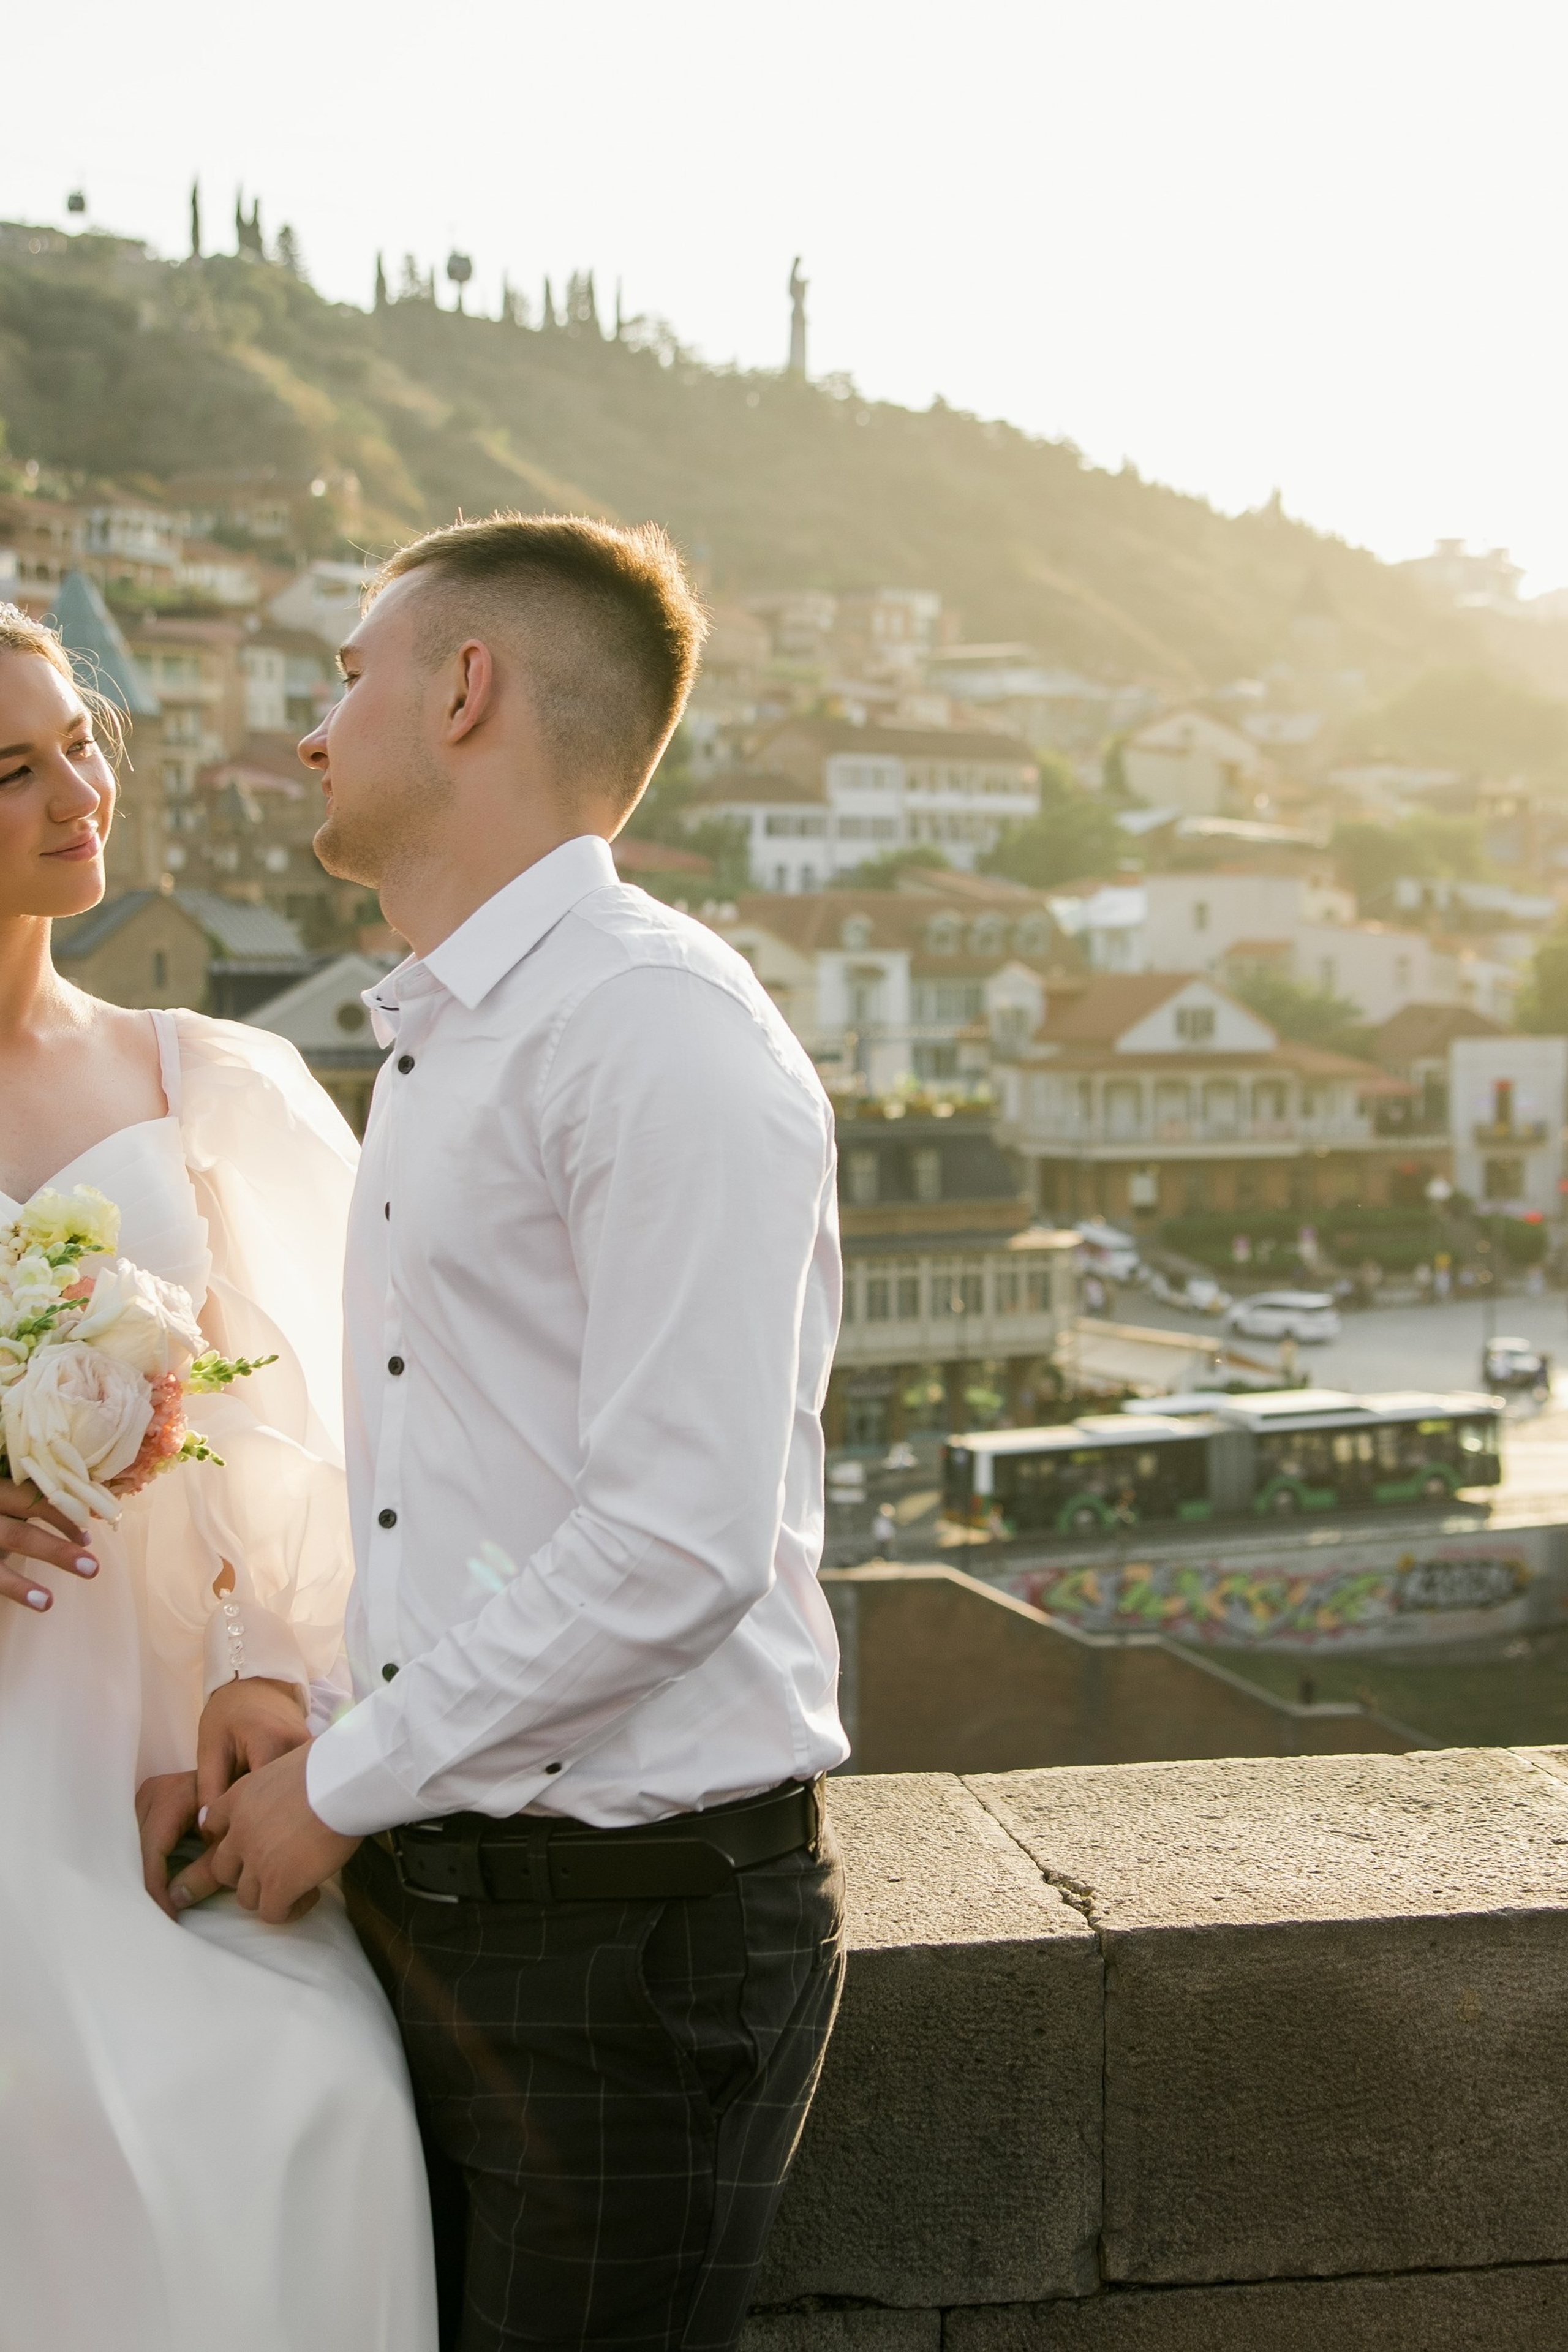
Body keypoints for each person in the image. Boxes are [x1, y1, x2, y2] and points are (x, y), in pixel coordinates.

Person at [192, 514, 850, 2352]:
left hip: (633, 1947)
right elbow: (473, 1511)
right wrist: (322, 1713)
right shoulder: (452, 1037)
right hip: (456, 1891)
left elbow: (671, 1544)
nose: (318, 730)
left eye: (347, 675)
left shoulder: (651, 1032)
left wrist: (331, 1788)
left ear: (463, 691)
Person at [0, 605, 437, 2351]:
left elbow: (337, 1427)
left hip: (151, 1774)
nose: (76, 792)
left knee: (305, 2109)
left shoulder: (214, 1086)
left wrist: (273, 1661)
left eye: (79, 740)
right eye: (10, 769)